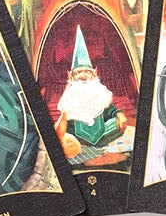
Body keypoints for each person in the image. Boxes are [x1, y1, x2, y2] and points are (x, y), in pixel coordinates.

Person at [54, 29, 126, 162]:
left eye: (87, 71)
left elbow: (110, 110)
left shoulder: (100, 93)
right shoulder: (69, 97)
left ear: (94, 73)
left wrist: (119, 114)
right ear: (71, 76)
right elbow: (62, 127)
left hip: (103, 134)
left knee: (118, 123)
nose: (83, 75)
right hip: (78, 137)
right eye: (78, 72)